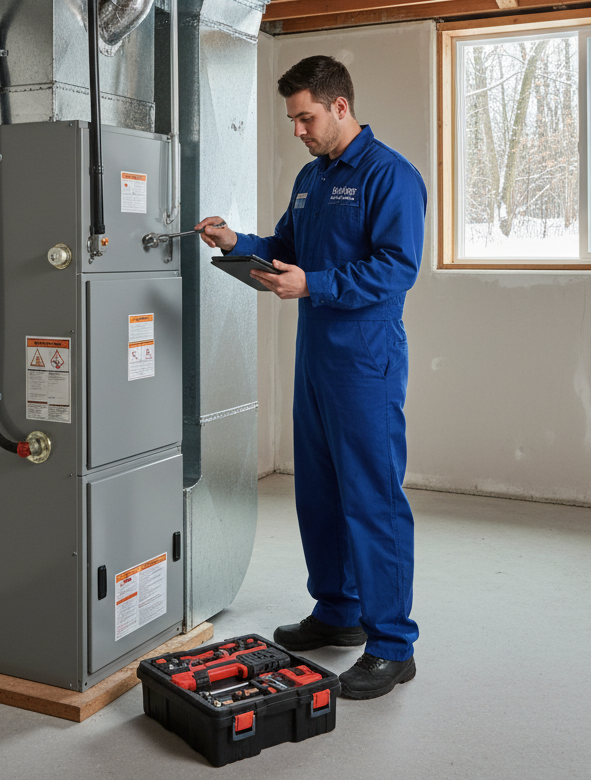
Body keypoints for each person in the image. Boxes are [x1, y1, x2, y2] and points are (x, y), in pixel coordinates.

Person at [195, 54, 426, 700]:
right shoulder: (311, 179)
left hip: (365, 364)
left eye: (306, 117)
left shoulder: (391, 177)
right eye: (293, 118)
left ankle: (392, 645)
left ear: (341, 107)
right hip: (316, 359)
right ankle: (338, 611)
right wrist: (236, 241)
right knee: (318, 494)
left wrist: (313, 284)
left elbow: (396, 270)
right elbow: (288, 248)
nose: (297, 129)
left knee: (372, 501)